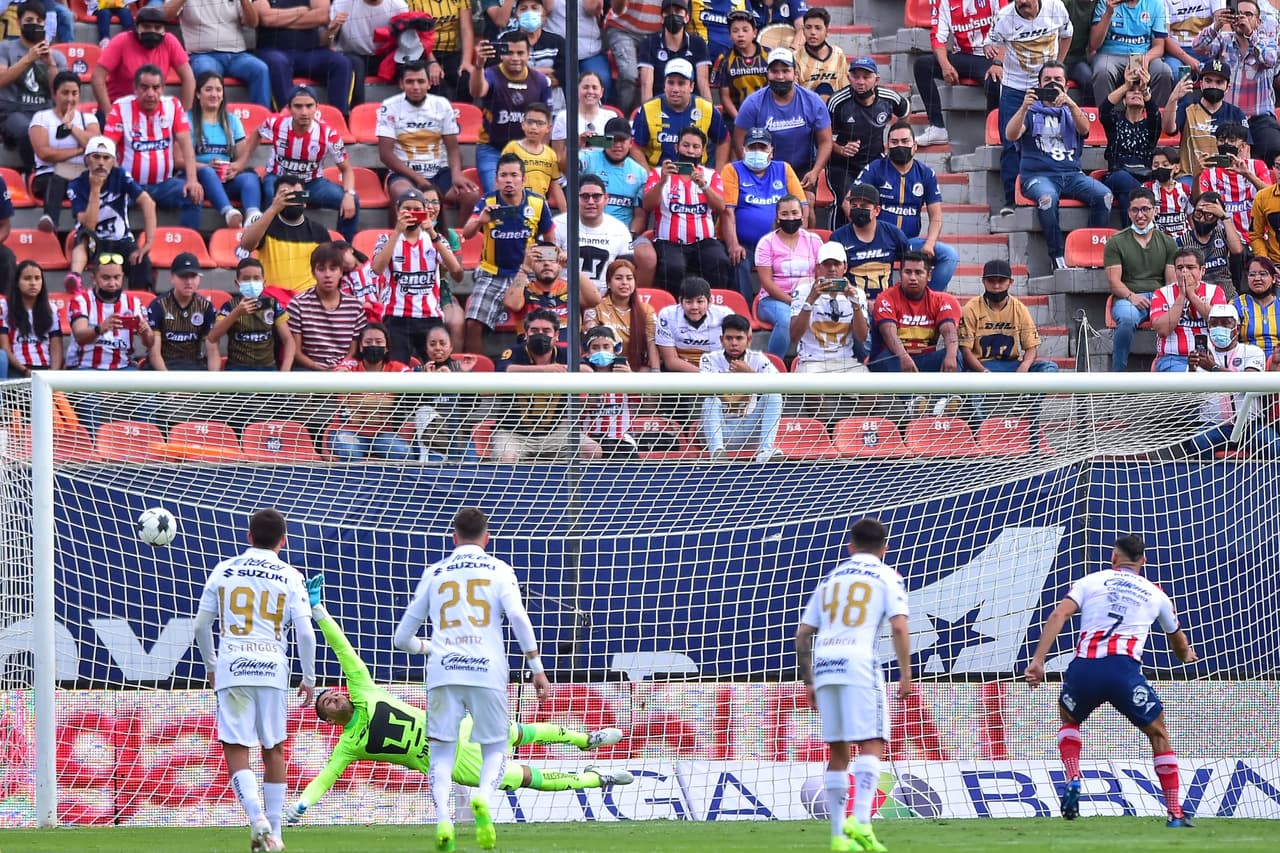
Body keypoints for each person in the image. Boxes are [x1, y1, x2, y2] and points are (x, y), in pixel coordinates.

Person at [288, 575, 629, 828]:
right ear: (330, 720)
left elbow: (343, 649)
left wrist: (318, 610)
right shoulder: (350, 744)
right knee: (529, 778)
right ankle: (597, 778)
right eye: (327, 705)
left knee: (519, 731)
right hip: (455, 765)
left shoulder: (365, 693)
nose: (333, 698)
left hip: (458, 729)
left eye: (332, 693)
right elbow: (326, 777)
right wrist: (301, 805)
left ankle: (586, 739)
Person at [392, 507, 551, 852]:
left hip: (443, 669)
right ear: (487, 537)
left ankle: (443, 820)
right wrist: (536, 666)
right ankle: (482, 797)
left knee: (441, 754)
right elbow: (519, 618)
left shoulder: (434, 572)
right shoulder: (499, 569)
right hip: (488, 668)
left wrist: (427, 647)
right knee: (496, 747)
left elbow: (401, 638)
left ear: (454, 537)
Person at [1025, 534, 1197, 828]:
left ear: (1114, 558)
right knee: (1158, 733)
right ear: (1143, 561)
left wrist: (1039, 660)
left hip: (1084, 669)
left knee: (1069, 719)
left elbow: (1059, 614)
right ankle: (1175, 812)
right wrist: (1187, 654)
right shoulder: (1156, 594)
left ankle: (1074, 777)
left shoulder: (1091, 581)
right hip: (1123, 671)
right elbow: (1179, 647)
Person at [193, 507, 316, 853]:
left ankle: (256, 817)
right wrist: (308, 678)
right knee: (273, 748)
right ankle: (275, 832)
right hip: (273, 668)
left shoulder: (224, 569)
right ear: (283, 541)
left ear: (248, 537)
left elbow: (201, 626)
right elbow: (306, 634)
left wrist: (211, 665)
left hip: (233, 665)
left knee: (236, 747)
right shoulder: (290, 574)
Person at [795, 516, 911, 853]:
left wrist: (809, 680)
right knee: (874, 743)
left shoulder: (830, 580)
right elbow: (900, 628)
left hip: (825, 664)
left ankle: (837, 836)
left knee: (839, 750)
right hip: (859, 664)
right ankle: (861, 821)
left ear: (850, 546)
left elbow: (803, 634)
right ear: (884, 549)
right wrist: (905, 673)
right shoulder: (888, 575)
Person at [1007, 61, 1113, 269]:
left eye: (1057, 80)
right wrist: (1024, 106)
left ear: (1066, 86)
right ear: (1039, 85)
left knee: (1105, 196)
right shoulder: (1030, 111)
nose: (1052, 84)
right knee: (1047, 199)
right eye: (1047, 80)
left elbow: (1085, 130)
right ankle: (1057, 255)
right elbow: (1010, 134)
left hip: (1072, 175)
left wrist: (1070, 104)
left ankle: (1091, 252)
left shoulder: (1072, 111)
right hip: (1038, 175)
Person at [460, 152, 555, 353]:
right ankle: (476, 375)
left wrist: (546, 264)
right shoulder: (488, 201)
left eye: (514, 175)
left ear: (524, 179)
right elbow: (467, 234)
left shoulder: (537, 203)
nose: (509, 180)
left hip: (527, 274)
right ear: (496, 179)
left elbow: (550, 242)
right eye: (503, 175)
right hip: (492, 272)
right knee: (472, 324)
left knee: (540, 325)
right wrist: (480, 221)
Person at [987, 0, 1074, 215]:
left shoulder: (1056, 8)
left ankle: (1057, 190)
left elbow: (1067, 34)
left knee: (1058, 136)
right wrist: (996, 59)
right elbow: (993, 43)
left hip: (1049, 85)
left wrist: (1058, 69)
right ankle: (1010, 201)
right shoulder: (1004, 16)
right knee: (1010, 143)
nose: (1023, 2)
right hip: (1015, 87)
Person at [242, 85, 359, 243]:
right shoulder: (275, 123)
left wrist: (349, 194)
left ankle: (343, 250)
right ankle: (265, 244)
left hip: (311, 186)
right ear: (289, 108)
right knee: (271, 195)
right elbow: (257, 132)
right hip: (279, 179)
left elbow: (346, 169)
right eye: (298, 106)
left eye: (309, 106)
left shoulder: (329, 134)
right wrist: (242, 161)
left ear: (317, 107)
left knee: (354, 201)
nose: (304, 112)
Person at [103, 65, 208, 231]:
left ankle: (187, 249)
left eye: (156, 88)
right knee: (108, 198)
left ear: (163, 88)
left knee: (194, 195)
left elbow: (186, 145)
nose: (150, 93)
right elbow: (108, 150)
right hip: (130, 185)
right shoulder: (120, 107)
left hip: (164, 184)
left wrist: (192, 180)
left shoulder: (173, 105)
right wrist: (120, 180)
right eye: (144, 88)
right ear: (135, 89)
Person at [858, 121, 957, 291]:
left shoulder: (926, 174)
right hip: (878, 241)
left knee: (949, 255)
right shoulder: (874, 169)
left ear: (915, 146)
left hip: (909, 243)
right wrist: (866, 233)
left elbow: (936, 217)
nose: (900, 146)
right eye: (894, 142)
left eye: (905, 141)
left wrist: (930, 243)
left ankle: (926, 299)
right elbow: (849, 201)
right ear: (886, 146)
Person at [371, 188, 464, 364]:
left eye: (417, 209)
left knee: (438, 368)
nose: (412, 214)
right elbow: (377, 269)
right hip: (396, 316)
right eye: (407, 209)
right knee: (397, 369)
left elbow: (456, 271)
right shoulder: (385, 239)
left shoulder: (436, 239)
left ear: (425, 212)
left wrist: (433, 234)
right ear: (397, 211)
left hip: (429, 316)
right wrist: (397, 232)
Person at [378, 60, 476, 224]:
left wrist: (457, 174)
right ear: (401, 84)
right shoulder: (390, 106)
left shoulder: (442, 104)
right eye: (410, 81)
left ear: (429, 83)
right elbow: (385, 155)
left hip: (439, 172)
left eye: (421, 81)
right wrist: (420, 180)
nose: (416, 87)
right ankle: (397, 243)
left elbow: (453, 148)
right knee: (402, 195)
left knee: (471, 195)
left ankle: (456, 242)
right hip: (405, 174)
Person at [732, 47, 831, 205]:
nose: (780, 76)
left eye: (785, 71)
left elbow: (825, 141)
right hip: (764, 168)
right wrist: (754, 170)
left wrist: (815, 172)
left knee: (807, 204)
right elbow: (738, 142)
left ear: (795, 74)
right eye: (774, 71)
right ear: (767, 74)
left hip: (802, 168)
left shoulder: (813, 102)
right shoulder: (752, 104)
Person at [643, 125, 732, 294]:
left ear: (702, 152)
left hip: (704, 242)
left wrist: (703, 185)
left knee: (719, 261)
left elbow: (720, 207)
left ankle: (714, 309)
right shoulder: (658, 173)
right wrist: (662, 182)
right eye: (686, 145)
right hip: (669, 242)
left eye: (696, 147)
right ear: (677, 147)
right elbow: (647, 205)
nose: (690, 150)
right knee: (674, 267)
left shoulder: (711, 175)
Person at [1192, 1, 1280, 168]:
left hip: (1260, 117)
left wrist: (1250, 34)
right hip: (1229, 116)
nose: (1242, 18)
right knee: (1220, 160)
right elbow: (1197, 47)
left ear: (1258, 21)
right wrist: (1215, 26)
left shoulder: (1267, 42)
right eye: (1239, 14)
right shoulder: (1223, 41)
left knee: (1275, 149)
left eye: (1248, 15)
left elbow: (1270, 59)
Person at [722, 128, 806, 302]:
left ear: (771, 151)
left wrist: (797, 243)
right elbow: (727, 211)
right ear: (744, 150)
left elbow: (802, 206)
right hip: (745, 243)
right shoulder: (732, 170)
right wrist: (733, 245)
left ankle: (790, 303)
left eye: (762, 147)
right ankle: (744, 309)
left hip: (780, 241)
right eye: (752, 148)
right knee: (738, 260)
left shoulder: (784, 169)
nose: (757, 152)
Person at [65, 135, 157, 294]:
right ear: (87, 160)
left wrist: (148, 243)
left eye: (106, 157)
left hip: (121, 239)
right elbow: (89, 226)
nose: (101, 162)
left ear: (113, 161)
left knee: (141, 260)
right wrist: (95, 189)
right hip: (94, 241)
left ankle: (141, 298)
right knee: (84, 237)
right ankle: (75, 277)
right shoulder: (76, 185)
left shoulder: (120, 176)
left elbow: (148, 203)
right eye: (96, 157)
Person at [1184, 302, 1279, 455]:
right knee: (1198, 444)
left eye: (1225, 323)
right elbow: (1188, 397)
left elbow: (1250, 382)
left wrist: (1214, 368)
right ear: (1208, 328)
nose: (1218, 328)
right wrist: (1191, 370)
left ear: (1238, 328)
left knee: (1274, 445)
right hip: (1213, 424)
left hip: (1250, 424)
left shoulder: (1253, 351)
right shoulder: (1199, 357)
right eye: (1214, 324)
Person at [825, 55, 909, 227]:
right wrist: (841, 149)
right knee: (844, 204)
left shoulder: (889, 98)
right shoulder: (837, 102)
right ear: (849, 78)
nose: (860, 82)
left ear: (876, 79)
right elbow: (823, 137)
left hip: (875, 162)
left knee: (878, 203)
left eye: (866, 77)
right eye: (856, 77)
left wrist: (893, 141)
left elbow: (905, 111)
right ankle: (837, 245)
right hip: (843, 164)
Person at [470, 30, 552, 195]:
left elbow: (547, 121)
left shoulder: (541, 81)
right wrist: (479, 65)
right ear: (501, 55)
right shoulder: (491, 74)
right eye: (510, 53)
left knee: (528, 197)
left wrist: (539, 152)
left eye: (520, 53)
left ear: (529, 54)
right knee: (496, 194)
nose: (515, 58)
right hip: (492, 149)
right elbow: (477, 92)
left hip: (527, 149)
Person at [1106, 187, 1179, 370]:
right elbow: (1114, 282)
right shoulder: (1116, 242)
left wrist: (1161, 301)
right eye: (1135, 210)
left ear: (1155, 210)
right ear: (1129, 213)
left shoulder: (1168, 242)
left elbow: (1171, 282)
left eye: (1146, 209)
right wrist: (1133, 297)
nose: (1140, 215)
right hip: (1129, 296)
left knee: (1178, 317)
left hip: (1159, 297)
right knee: (1127, 318)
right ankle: (1118, 376)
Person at [578, 117, 656, 287]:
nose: (617, 145)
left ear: (630, 143)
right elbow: (565, 167)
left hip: (623, 233)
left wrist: (629, 235)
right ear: (603, 139)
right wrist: (577, 146)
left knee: (648, 256)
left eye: (622, 140)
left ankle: (635, 300)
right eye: (612, 140)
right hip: (586, 228)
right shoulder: (588, 158)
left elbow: (640, 216)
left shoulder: (639, 173)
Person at [913, 0, 1002, 148]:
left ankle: (993, 131)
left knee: (995, 81)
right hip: (963, 56)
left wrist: (998, 63)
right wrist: (945, 66)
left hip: (991, 56)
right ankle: (937, 127)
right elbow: (938, 38)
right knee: (922, 65)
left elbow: (1006, 30)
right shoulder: (944, 2)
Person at [698, 313, 783, 462]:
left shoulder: (758, 359)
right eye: (729, 338)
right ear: (721, 340)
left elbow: (777, 383)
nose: (734, 343)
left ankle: (765, 452)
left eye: (739, 338)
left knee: (774, 395)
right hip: (722, 429)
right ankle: (717, 453)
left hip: (750, 429)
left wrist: (749, 373)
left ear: (748, 340)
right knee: (710, 401)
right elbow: (706, 389)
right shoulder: (709, 359)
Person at [328, 323, 415, 460]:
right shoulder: (350, 366)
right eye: (368, 342)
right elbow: (339, 373)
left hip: (382, 434)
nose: (373, 345)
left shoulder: (397, 368)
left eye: (379, 342)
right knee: (350, 452)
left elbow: (414, 378)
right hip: (348, 431)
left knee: (403, 453)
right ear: (361, 347)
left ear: (386, 347)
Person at [867, 251, 963, 374]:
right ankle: (913, 393)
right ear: (900, 274)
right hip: (892, 358)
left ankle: (950, 394)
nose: (913, 278)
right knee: (890, 358)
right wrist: (903, 356)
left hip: (924, 358)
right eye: (908, 272)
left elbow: (949, 331)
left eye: (918, 273)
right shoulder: (886, 298)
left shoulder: (942, 300)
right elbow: (889, 334)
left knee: (955, 354)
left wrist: (951, 355)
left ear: (929, 276)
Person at [254, 0, 355, 118]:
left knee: (341, 63)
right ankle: (288, 118)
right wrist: (301, 12)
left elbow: (322, 16)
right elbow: (267, 19)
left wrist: (280, 19)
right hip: (273, 50)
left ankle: (339, 119)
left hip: (310, 51)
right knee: (278, 63)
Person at [239, 176, 335, 299]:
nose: (292, 200)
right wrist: (273, 209)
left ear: (304, 201)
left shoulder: (319, 231)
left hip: (306, 301)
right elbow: (246, 244)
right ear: (275, 199)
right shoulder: (266, 225)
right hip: (274, 299)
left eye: (297, 195)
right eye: (285, 195)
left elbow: (328, 269)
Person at [167, 0, 272, 110]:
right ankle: (211, 122)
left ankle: (263, 123)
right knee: (207, 73)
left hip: (237, 55)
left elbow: (253, 23)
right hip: (203, 55)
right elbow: (165, 15)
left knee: (260, 69)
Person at [0, 1, 67, 172]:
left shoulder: (57, 56)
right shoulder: (5, 48)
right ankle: (36, 174)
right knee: (28, 131)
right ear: (18, 22)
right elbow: (1, 80)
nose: (34, 24)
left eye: (39, 21)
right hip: (13, 112)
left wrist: (51, 65)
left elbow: (62, 94)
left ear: (45, 24)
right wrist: (27, 59)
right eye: (29, 20)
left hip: (46, 111)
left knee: (71, 131)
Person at [29, 70, 98, 234]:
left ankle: (84, 228)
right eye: (65, 93)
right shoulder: (41, 117)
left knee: (90, 182)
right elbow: (44, 153)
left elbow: (94, 145)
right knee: (57, 177)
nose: (70, 98)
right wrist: (79, 151)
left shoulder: (88, 119)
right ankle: (50, 219)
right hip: (48, 175)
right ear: (54, 94)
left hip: (80, 175)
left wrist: (71, 126)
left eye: (74, 93)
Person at [92, 6, 195, 116]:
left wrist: (185, 116)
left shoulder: (170, 42)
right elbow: (97, 76)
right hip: (118, 109)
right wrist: (109, 113)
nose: (152, 31)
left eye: (157, 28)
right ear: (136, 27)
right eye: (146, 27)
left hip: (153, 110)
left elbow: (189, 78)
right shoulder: (121, 41)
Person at [960, 259, 1058, 373]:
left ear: (1010, 282)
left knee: (1049, 368)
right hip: (981, 366)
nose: (996, 286)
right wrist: (984, 372)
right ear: (983, 281)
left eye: (1001, 281)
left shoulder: (1019, 308)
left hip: (1012, 366)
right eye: (991, 281)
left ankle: (1022, 390)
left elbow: (1031, 347)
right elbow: (965, 350)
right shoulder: (971, 308)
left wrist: (1024, 366)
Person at [754, 193, 822, 357]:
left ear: (802, 215)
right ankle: (772, 369)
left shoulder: (814, 240)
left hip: (809, 297)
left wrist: (807, 300)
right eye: (784, 214)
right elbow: (766, 282)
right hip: (773, 299)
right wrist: (793, 301)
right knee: (785, 321)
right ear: (777, 217)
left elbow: (821, 275)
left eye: (794, 213)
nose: (790, 217)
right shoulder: (766, 242)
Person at [189, 70, 260, 226]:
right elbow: (178, 160)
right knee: (207, 172)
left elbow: (241, 157)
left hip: (225, 179)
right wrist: (206, 166)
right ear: (198, 94)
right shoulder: (187, 120)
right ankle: (229, 213)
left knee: (250, 178)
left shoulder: (232, 121)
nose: (214, 94)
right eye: (208, 89)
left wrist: (234, 167)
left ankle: (253, 216)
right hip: (199, 181)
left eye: (218, 90)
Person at [632, 57, 730, 169]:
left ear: (691, 86)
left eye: (681, 83)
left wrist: (718, 174)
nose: (675, 89)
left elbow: (724, 141)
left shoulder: (706, 109)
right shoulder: (648, 110)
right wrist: (649, 178)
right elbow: (635, 148)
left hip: (697, 177)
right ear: (664, 85)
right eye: (671, 83)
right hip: (659, 176)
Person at [788, 241, 869, 374]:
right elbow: (794, 337)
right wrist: (810, 300)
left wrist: (855, 303)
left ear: (845, 267)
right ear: (818, 267)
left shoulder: (857, 293)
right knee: (812, 391)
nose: (832, 269)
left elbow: (862, 337)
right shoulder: (803, 291)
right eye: (827, 264)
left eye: (837, 264)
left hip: (845, 361)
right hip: (812, 361)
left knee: (872, 391)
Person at [1163, 58, 1247, 184]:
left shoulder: (1236, 113)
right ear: (1201, 84)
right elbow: (1168, 129)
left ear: (1227, 87)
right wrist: (1173, 98)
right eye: (1208, 81)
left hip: (1224, 177)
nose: (1213, 86)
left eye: (1219, 82)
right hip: (1190, 176)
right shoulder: (1187, 108)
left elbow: (1245, 151)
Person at [288, 243, 369, 371]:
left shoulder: (355, 307)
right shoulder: (298, 304)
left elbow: (353, 351)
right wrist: (320, 369)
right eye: (321, 269)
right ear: (313, 273)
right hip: (309, 371)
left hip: (344, 371)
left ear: (341, 272)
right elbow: (295, 351)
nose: (327, 275)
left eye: (333, 269)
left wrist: (340, 368)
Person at [1099, 64, 1162, 225]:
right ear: (1124, 99)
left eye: (1139, 91)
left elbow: (1155, 114)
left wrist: (1145, 88)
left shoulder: (1150, 125)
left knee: (1125, 196)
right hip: (1117, 175)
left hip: (1145, 176)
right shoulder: (1115, 121)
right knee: (1124, 179)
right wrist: (1126, 85)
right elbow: (1104, 110)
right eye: (1131, 91)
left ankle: (1133, 234)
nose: (1136, 93)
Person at [830, 182, 911, 308]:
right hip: (850, 304)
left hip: (889, 304)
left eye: (864, 206)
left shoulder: (894, 234)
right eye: (854, 206)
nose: (858, 209)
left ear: (877, 210)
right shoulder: (838, 237)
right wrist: (860, 302)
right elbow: (831, 279)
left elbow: (911, 266)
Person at [1148, 246, 1228, 371]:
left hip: (1209, 357)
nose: (1184, 272)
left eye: (1190, 267)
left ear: (1202, 270)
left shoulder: (1215, 291)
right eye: (1180, 268)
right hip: (1173, 358)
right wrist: (1181, 296)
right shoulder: (1161, 293)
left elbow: (1221, 323)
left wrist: (1192, 295)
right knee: (1190, 381)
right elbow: (1162, 330)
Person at [552, 174, 634, 295]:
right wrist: (557, 258)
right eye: (585, 196)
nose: (591, 202)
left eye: (596, 196)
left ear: (606, 199)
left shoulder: (620, 230)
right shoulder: (557, 224)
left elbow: (627, 271)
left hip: (604, 300)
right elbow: (544, 266)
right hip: (562, 297)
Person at [209, 258, 296, 371]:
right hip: (237, 369)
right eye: (246, 279)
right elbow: (212, 337)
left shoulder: (272, 304)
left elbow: (288, 340)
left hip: (268, 369)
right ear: (237, 283)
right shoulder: (230, 306)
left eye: (256, 278)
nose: (251, 283)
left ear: (263, 282)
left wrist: (285, 370)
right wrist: (236, 313)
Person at [1088, 0, 1174, 109]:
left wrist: (1146, 59)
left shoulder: (1155, 4)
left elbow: (1159, 46)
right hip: (1110, 54)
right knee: (1102, 70)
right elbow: (1094, 45)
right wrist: (1109, 13)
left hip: (1142, 54)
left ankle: (1156, 120)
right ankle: (1106, 118)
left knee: (1163, 71)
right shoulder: (1105, 2)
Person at [584, 258, 661, 371]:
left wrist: (656, 371)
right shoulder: (595, 307)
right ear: (609, 283)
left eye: (629, 278)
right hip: (601, 368)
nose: (624, 282)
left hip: (635, 369)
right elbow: (593, 344)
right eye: (618, 278)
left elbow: (651, 343)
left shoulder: (647, 310)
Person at [146, 252, 220, 371]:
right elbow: (155, 354)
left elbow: (212, 350)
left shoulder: (206, 307)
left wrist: (214, 382)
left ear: (199, 278)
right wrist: (170, 385)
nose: (189, 282)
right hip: (164, 366)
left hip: (193, 367)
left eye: (193, 276)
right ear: (172, 278)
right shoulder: (158, 306)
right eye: (183, 276)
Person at [1197, 122, 1270, 240]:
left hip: (1257, 237)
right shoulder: (1209, 172)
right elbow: (1198, 202)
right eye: (1221, 140)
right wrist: (1196, 176)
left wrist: (1247, 174)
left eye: (1231, 140)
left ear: (1243, 146)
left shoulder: (1257, 166)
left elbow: (1271, 195)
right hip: (1223, 240)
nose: (1226, 144)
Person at [328, 0, 407, 108]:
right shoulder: (342, 3)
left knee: (412, 67)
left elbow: (407, 40)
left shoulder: (398, 5)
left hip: (385, 56)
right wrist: (332, 30)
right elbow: (328, 40)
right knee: (354, 65)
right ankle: (355, 114)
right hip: (352, 54)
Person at [580, 325, 639, 460]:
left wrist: (632, 378)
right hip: (590, 441)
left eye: (606, 347)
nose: (601, 351)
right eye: (595, 347)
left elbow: (647, 403)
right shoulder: (581, 378)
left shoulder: (627, 379)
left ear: (615, 350)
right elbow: (579, 407)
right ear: (587, 352)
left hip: (621, 440)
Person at [638, 0, 712, 104]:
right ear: (662, 18)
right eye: (668, 12)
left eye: (678, 12)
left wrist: (709, 115)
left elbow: (703, 84)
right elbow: (646, 85)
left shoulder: (698, 44)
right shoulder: (649, 44)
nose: (673, 15)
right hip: (658, 106)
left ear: (687, 17)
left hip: (691, 107)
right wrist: (648, 116)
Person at [656, 274, 734, 371]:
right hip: (681, 371)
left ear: (709, 301)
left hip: (717, 369)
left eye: (700, 302)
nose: (694, 307)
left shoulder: (725, 315)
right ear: (680, 301)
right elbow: (671, 361)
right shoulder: (667, 315)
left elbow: (742, 339)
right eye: (689, 302)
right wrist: (704, 375)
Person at [0, 260, 64, 375]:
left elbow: (56, 347)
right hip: (15, 369)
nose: (33, 283)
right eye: (27, 278)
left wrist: (54, 374)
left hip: (45, 369)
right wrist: (25, 370)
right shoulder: (4, 307)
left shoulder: (51, 309)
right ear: (17, 282)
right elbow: (4, 348)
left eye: (37, 278)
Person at [605, 0, 665, 115]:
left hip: (656, 33)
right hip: (623, 28)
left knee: (663, 75)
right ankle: (622, 120)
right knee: (629, 75)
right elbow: (617, 10)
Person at [502, 102, 566, 210]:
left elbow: (555, 186)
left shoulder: (550, 154)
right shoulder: (512, 148)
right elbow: (501, 179)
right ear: (523, 124)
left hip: (540, 209)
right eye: (530, 122)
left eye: (539, 123)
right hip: (514, 207)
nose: (533, 127)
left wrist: (566, 214)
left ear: (548, 128)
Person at [1178, 190, 1241, 297]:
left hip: (1225, 290)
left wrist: (1224, 218)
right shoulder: (1183, 241)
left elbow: (1237, 250)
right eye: (1198, 213)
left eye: (1209, 215)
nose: (1202, 219)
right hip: (1197, 291)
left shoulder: (1223, 234)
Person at [549, 71, 612, 174]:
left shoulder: (611, 117)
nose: (590, 91)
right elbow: (558, 163)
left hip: (604, 177)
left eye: (594, 87)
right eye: (585, 87)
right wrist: (576, 144)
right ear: (577, 89)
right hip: (571, 180)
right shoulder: (563, 117)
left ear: (602, 92)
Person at [713, 9, 767, 127]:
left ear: (754, 33)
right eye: (735, 31)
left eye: (745, 30)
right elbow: (724, 97)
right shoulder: (724, 59)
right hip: (735, 118)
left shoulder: (769, 55)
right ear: (730, 35)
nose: (740, 34)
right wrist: (740, 120)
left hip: (766, 116)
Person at [793, 8, 847, 102]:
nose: (813, 32)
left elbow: (845, 89)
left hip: (835, 111)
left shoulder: (838, 54)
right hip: (808, 111)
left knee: (825, 87)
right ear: (803, 30)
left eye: (818, 28)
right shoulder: (795, 57)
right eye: (808, 27)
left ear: (827, 31)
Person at [1234, 257, 1280, 359]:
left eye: (1263, 274)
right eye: (1252, 274)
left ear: (1274, 278)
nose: (1257, 278)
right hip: (1247, 361)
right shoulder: (1237, 304)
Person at [1143, 147, 1190, 239]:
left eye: (1165, 165)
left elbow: (1190, 215)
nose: (1160, 168)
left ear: (1176, 168)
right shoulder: (1146, 189)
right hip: (1157, 241)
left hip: (1184, 240)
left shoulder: (1184, 189)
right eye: (1156, 165)